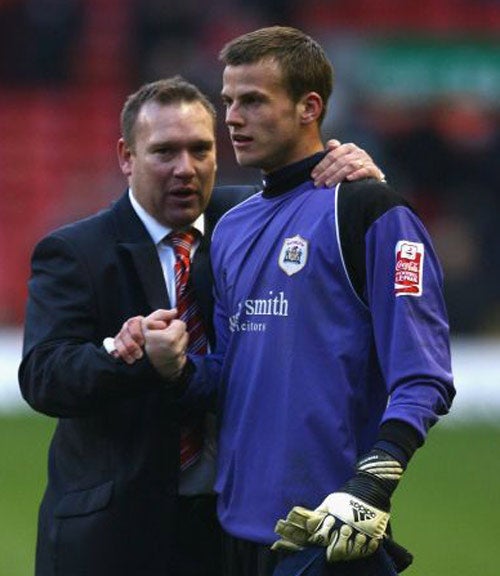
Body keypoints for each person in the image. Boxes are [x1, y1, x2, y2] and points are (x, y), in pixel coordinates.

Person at [18, 75, 384, 576]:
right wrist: (133, 360)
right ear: (126, 156)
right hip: (116, 536)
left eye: (200, 149)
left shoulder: (250, 220)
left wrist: (356, 176)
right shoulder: (77, 252)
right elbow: (44, 376)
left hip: (233, 529)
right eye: (165, 152)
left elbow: (327, 204)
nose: (185, 169)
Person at [127, 27, 455, 576]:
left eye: (253, 101)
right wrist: (177, 367)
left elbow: (424, 375)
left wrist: (372, 483)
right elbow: (232, 372)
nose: (232, 117)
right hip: (233, 531)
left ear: (310, 107)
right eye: (228, 101)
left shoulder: (369, 211)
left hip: (330, 529)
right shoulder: (229, 228)